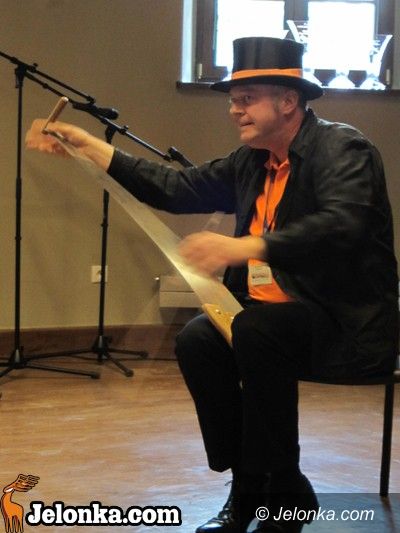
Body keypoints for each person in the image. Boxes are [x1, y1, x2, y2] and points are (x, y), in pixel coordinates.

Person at [26, 37, 398, 533]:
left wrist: (245, 247)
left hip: (346, 326)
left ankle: (274, 494)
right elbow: (177, 188)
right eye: (233, 100)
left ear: (288, 101)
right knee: (198, 339)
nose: (234, 110)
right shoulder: (252, 161)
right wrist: (90, 146)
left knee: (257, 331)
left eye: (247, 99)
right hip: (271, 323)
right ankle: (259, 484)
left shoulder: (344, 149)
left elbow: (343, 226)